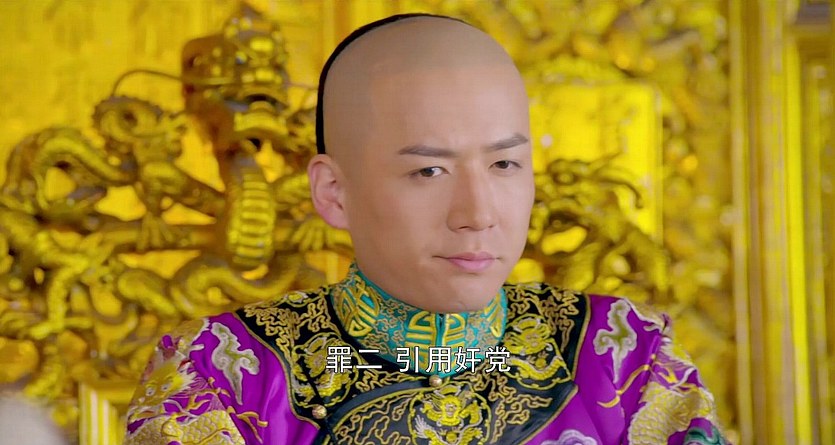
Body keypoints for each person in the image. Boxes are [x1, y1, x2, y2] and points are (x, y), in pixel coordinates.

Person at [124, 13, 727, 445]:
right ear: (334, 193)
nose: (477, 213)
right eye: (428, 170)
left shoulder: (624, 356)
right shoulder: (224, 374)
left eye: (504, 164)